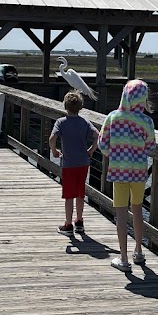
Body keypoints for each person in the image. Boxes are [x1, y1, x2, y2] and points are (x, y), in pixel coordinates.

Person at [98, 79, 155, 271]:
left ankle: (123, 259)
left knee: (121, 214)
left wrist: (115, 155)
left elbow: (102, 144)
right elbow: (151, 147)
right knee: (137, 210)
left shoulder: (113, 117)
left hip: (118, 171)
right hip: (138, 172)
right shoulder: (147, 121)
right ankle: (138, 251)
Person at [49, 90, 98, 235]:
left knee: (69, 195)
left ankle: (68, 225)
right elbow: (98, 136)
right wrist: (91, 150)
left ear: (65, 106)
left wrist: (54, 151)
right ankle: (80, 221)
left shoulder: (61, 122)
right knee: (80, 193)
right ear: (81, 107)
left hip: (69, 164)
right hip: (83, 162)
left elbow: (52, 139)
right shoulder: (85, 122)